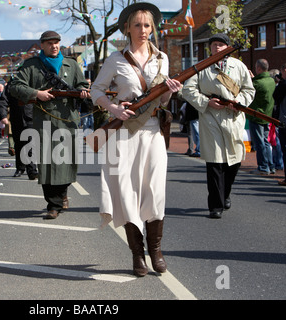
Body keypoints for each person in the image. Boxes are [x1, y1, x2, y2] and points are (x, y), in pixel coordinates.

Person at [90, 2, 182, 276]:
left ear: (153, 29)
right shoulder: (115, 60)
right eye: (137, 25)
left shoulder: (162, 59)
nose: (143, 30)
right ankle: (137, 255)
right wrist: (114, 108)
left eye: (147, 25)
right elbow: (96, 90)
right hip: (124, 134)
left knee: (155, 191)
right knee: (128, 193)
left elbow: (162, 99)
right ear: (127, 29)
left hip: (153, 131)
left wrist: (170, 92)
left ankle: (156, 250)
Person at [9, 30, 89, 220]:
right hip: (43, 120)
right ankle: (53, 204)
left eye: (57, 42)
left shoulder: (71, 64)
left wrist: (83, 92)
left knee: (66, 161)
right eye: (50, 43)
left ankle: (62, 195)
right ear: (42, 46)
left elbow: (81, 85)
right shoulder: (31, 66)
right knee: (47, 163)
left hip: (68, 119)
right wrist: (37, 94)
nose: (54, 46)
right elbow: (15, 87)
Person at [182, 33, 255, 219]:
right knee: (215, 163)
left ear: (228, 48)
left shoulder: (238, 66)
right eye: (214, 45)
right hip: (210, 118)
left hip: (233, 117)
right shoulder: (201, 67)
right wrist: (206, 102)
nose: (217, 48)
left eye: (221, 45)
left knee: (234, 162)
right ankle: (215, 206)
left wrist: (239, 101)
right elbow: (188, 90)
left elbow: (249, 89)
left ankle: (225, 194)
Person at [0, 78, 38, 179]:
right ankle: (20, 168)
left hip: (30, 117)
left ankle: (32, 170)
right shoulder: (12, 83)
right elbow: (3, 100)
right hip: (16, 118)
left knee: (31, 144)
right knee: (19, 144)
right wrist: (3, 116)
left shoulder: (33, 80)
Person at [247, 59, 276, 175]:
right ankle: (270, 165)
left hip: (257, 115)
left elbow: (250, 89)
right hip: (267, 115)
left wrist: (251, 79)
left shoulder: (257, 83)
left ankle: (263, 167)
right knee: (266, 142)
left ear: (258, 68)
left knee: (259, 143)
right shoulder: (271, 81)